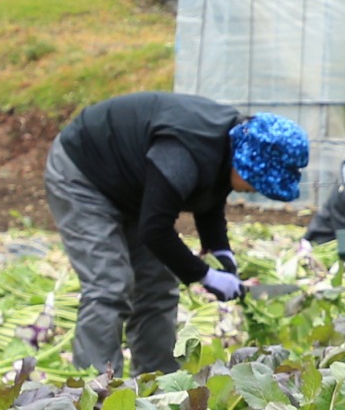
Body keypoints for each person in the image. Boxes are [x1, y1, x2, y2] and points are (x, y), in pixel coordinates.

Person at [43, 92, 309, 373]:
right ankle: (94, 395)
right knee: (109, 284)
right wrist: (205, 275)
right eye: (256, 182)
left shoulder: (230, 141)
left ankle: (157, 383)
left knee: (158, 285)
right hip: (83, 173)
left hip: (131, 184)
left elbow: (211, 194)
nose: (255, 190)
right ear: (245, 161)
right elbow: (155, 229)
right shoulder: (184, 152)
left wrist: (220, 252)